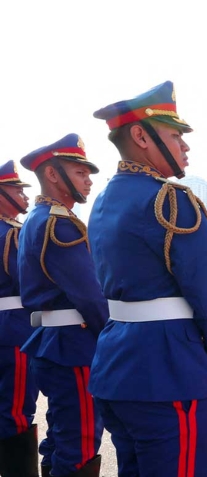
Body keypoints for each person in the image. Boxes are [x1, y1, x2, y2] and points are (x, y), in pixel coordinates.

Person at [88, 82, 207, 476]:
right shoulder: (170, 200)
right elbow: (205, 292)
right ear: (140, 136)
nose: (185, 147)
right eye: (175, 135)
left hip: (116, 367)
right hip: (167, 373)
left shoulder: (104, 200)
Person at [18, 136, 109, 476]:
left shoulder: (39, 218)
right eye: (80, 171)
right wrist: (114, 336)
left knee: (61, 436)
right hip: (73, 346)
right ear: (53, 175)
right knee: (80, 443)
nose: (88, 179)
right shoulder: (59, 224)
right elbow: (91, 297)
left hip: (54, 343)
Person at [0, 160, 39, 475]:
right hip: (14, 328)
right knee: (14, 411)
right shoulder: (14, 234)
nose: (25, 197)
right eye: (16, 190)